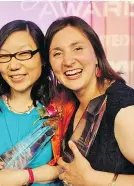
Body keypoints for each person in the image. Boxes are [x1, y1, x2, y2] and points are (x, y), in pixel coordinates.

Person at [0, 20, 75, 186]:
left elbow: (74, 167)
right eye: (4, 56)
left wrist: (25, 176)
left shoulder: (64, 105)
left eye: (24, 54)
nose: (14, 65)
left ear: (43, 58)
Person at [45, 16, 134, 186]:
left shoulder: (123, 110)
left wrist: (91, 179)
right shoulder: (72, 103)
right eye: (57, 53)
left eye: (78, 48)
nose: (68, 61)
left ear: (96, 54)